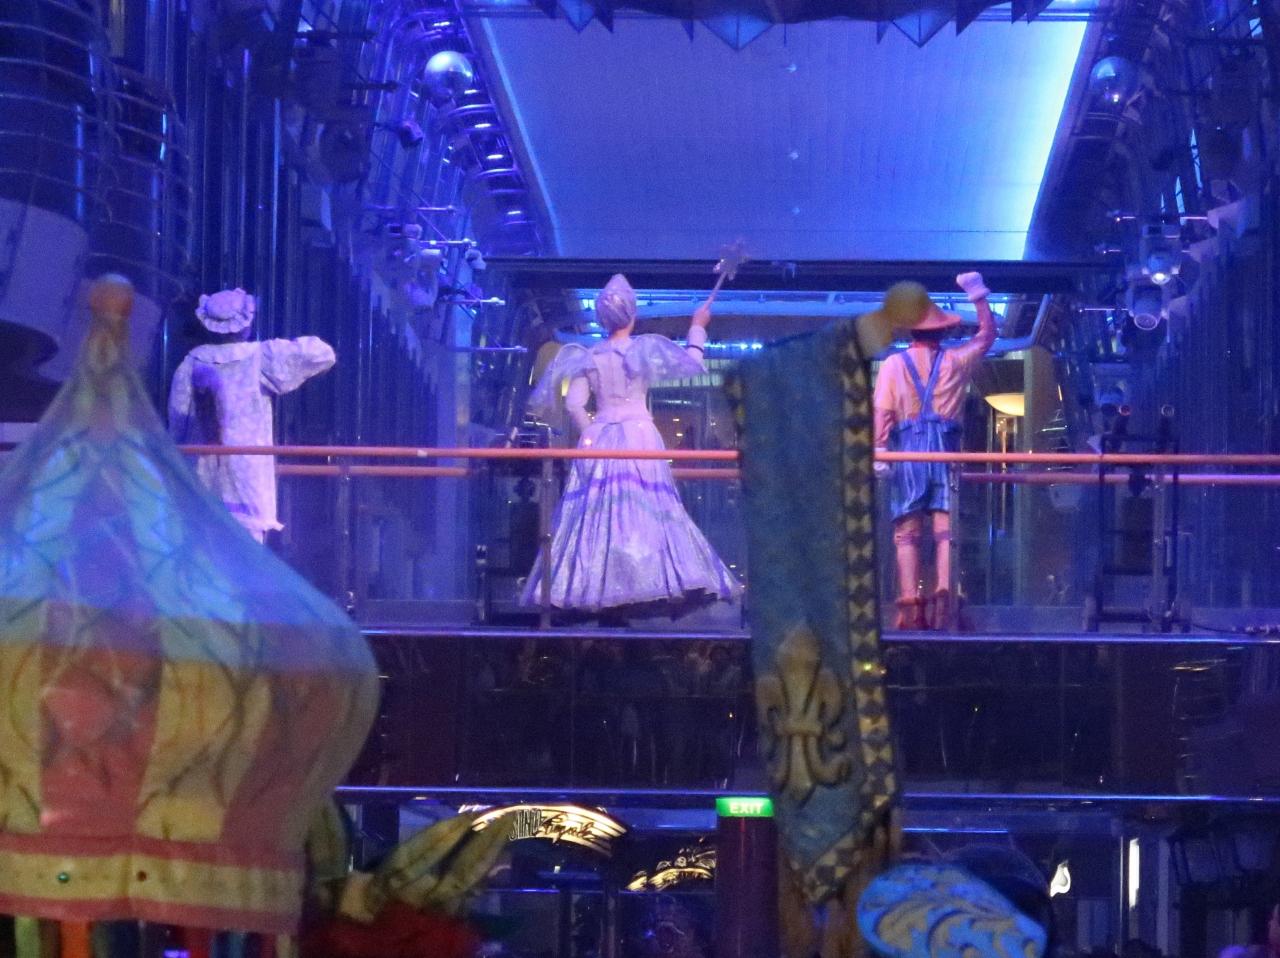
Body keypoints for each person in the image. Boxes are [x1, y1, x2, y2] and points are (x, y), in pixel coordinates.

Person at [522, 274, 741, 614]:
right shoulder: (643, 349)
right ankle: (649, 583)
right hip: (639, 435)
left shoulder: (587, 356)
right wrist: (698, 327)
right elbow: (692, 364)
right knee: (648, 506)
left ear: (601, 318)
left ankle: (592, 589)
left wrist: (593, 434)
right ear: (633, 315)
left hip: (601, 438)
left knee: (595, 513)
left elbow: (574, 404)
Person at [873, 272, 995, 630]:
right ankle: (945, 596)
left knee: (906, 532)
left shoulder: (893, 365)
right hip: (946, 448)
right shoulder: (956, 362)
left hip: (907, 451)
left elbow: (882, 413)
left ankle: (910, 605)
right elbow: (987, 336)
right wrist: (978, 295)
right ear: (941, 332)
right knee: (945, 529)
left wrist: (879, 449)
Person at [168, 288, 335, 542]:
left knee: (204, 554)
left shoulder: (190, 364)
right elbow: (322, 353)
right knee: (244, 554)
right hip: (246, 478)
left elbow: (177, 425)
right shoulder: (260, 358)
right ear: (245, 324)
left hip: (201, 478)